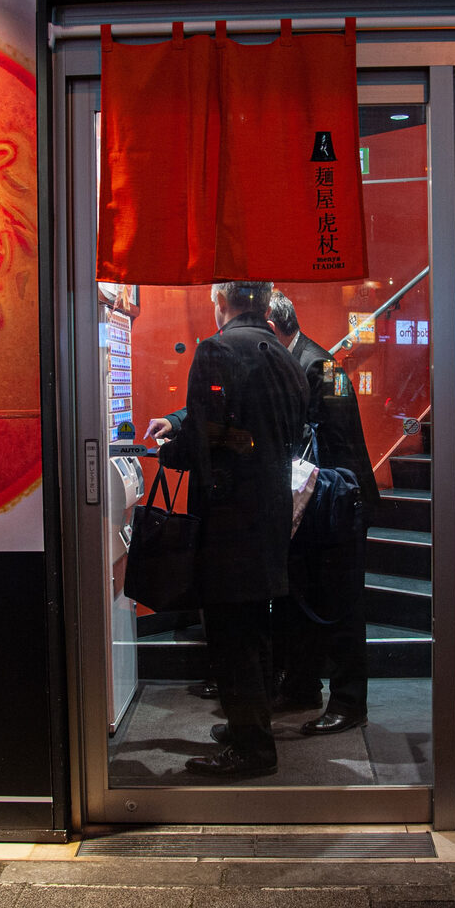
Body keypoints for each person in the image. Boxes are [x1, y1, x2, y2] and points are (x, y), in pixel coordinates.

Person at [143, 281, 308, 777]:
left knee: (232, 636)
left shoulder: (216, 350)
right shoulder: (283, 355)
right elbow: (270, 428)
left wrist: (170, 450)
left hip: (228, 520)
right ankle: (247, 728)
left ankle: (252, 750)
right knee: (255, 630)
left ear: (221, 301)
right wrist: (184, 424)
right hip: (270, 512)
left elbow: (207, 439)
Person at [267, 291, 381, 736]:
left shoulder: (317, 366)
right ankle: (301, 686)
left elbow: (338, 444)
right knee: (304, 598)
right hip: (323, 500)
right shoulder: (308, 361)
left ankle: (349, 703)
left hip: (337, 502)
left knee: (341, 606)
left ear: (273, 328)